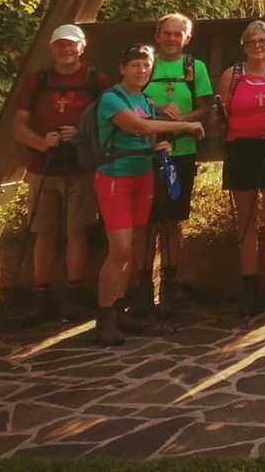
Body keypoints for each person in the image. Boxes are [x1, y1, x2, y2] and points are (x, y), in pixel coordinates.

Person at [93, 44, 205, 346]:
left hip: (143, 177)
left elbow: (148, 137)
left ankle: (119, 308)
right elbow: (139, 126)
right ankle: (104, 316)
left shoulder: (145, 99)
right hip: (116, 178)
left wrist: (160, 146)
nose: (141, 70)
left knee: (135, 248)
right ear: (122, 68)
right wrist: (186, 125)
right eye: (135, 65)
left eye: (146, 65)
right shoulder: (111, 99)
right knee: (120, 248)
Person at [12, 23, 107, 323]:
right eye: (60, 44)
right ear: (52, 48)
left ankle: (74, 296)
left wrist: (81, 135)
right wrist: (41, 143)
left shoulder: (96, 80)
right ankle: (41, 295)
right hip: (43, 167)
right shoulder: (37, 81)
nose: (66, 49)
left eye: (72, 44)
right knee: (44, 231)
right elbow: (18, 126)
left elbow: (111, 120)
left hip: (81, 167)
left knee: (77, 230)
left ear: (82, 47)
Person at [214, 20, 265, 320]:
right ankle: (249, 287)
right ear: (243, 45)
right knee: (246, 221)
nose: (258, 46)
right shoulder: (232, 75)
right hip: (241, 151)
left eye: (263, 40)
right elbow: (219, 116)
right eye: (252, 41)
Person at [138, 12, 214, 317]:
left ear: (187, 38)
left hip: (181, 153)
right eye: (166, 33)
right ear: (157, 35)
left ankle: (170, 285)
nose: (171, 39)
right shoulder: (146, 64)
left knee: (172, 219)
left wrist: (182, 120)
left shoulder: (195, 67)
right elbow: (130, 98)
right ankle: (142, 287)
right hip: (145, 152)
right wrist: (156, 110)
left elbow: (205, 107)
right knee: (146, 221)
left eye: (177, 34)